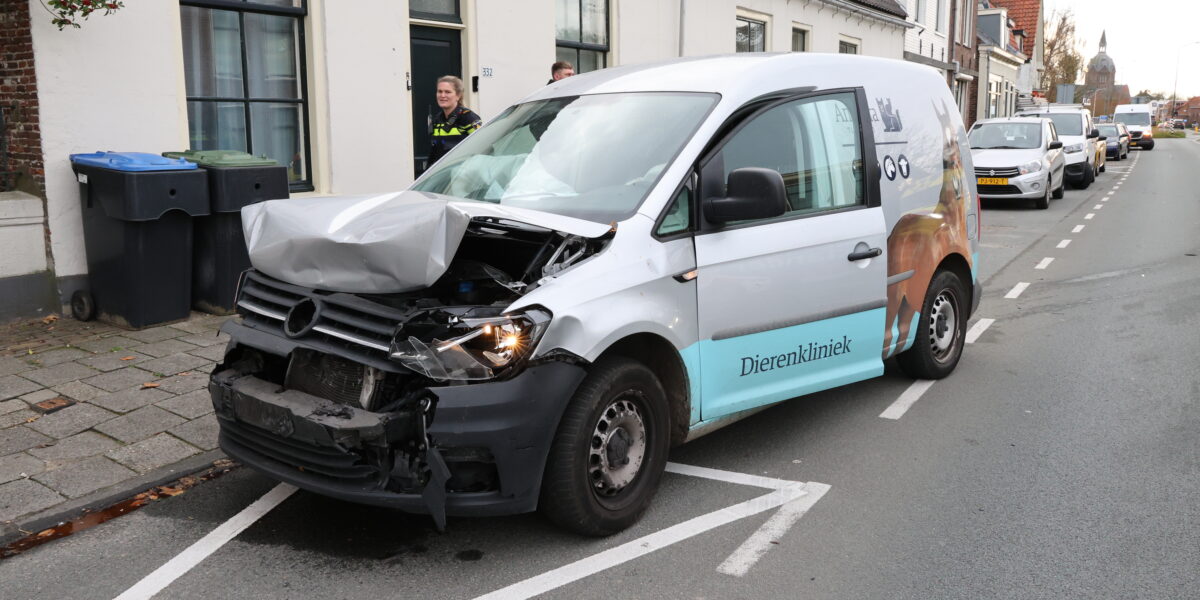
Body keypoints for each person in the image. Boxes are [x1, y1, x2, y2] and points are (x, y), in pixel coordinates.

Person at [427, 75, 482, 168]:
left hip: (463, 174)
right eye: (439, 91)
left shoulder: (468, 118)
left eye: (447, 92)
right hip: (442, 174)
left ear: (458, 96)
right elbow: (434, 152)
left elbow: (482, 147)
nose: (442, 95)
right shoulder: (437, 120)